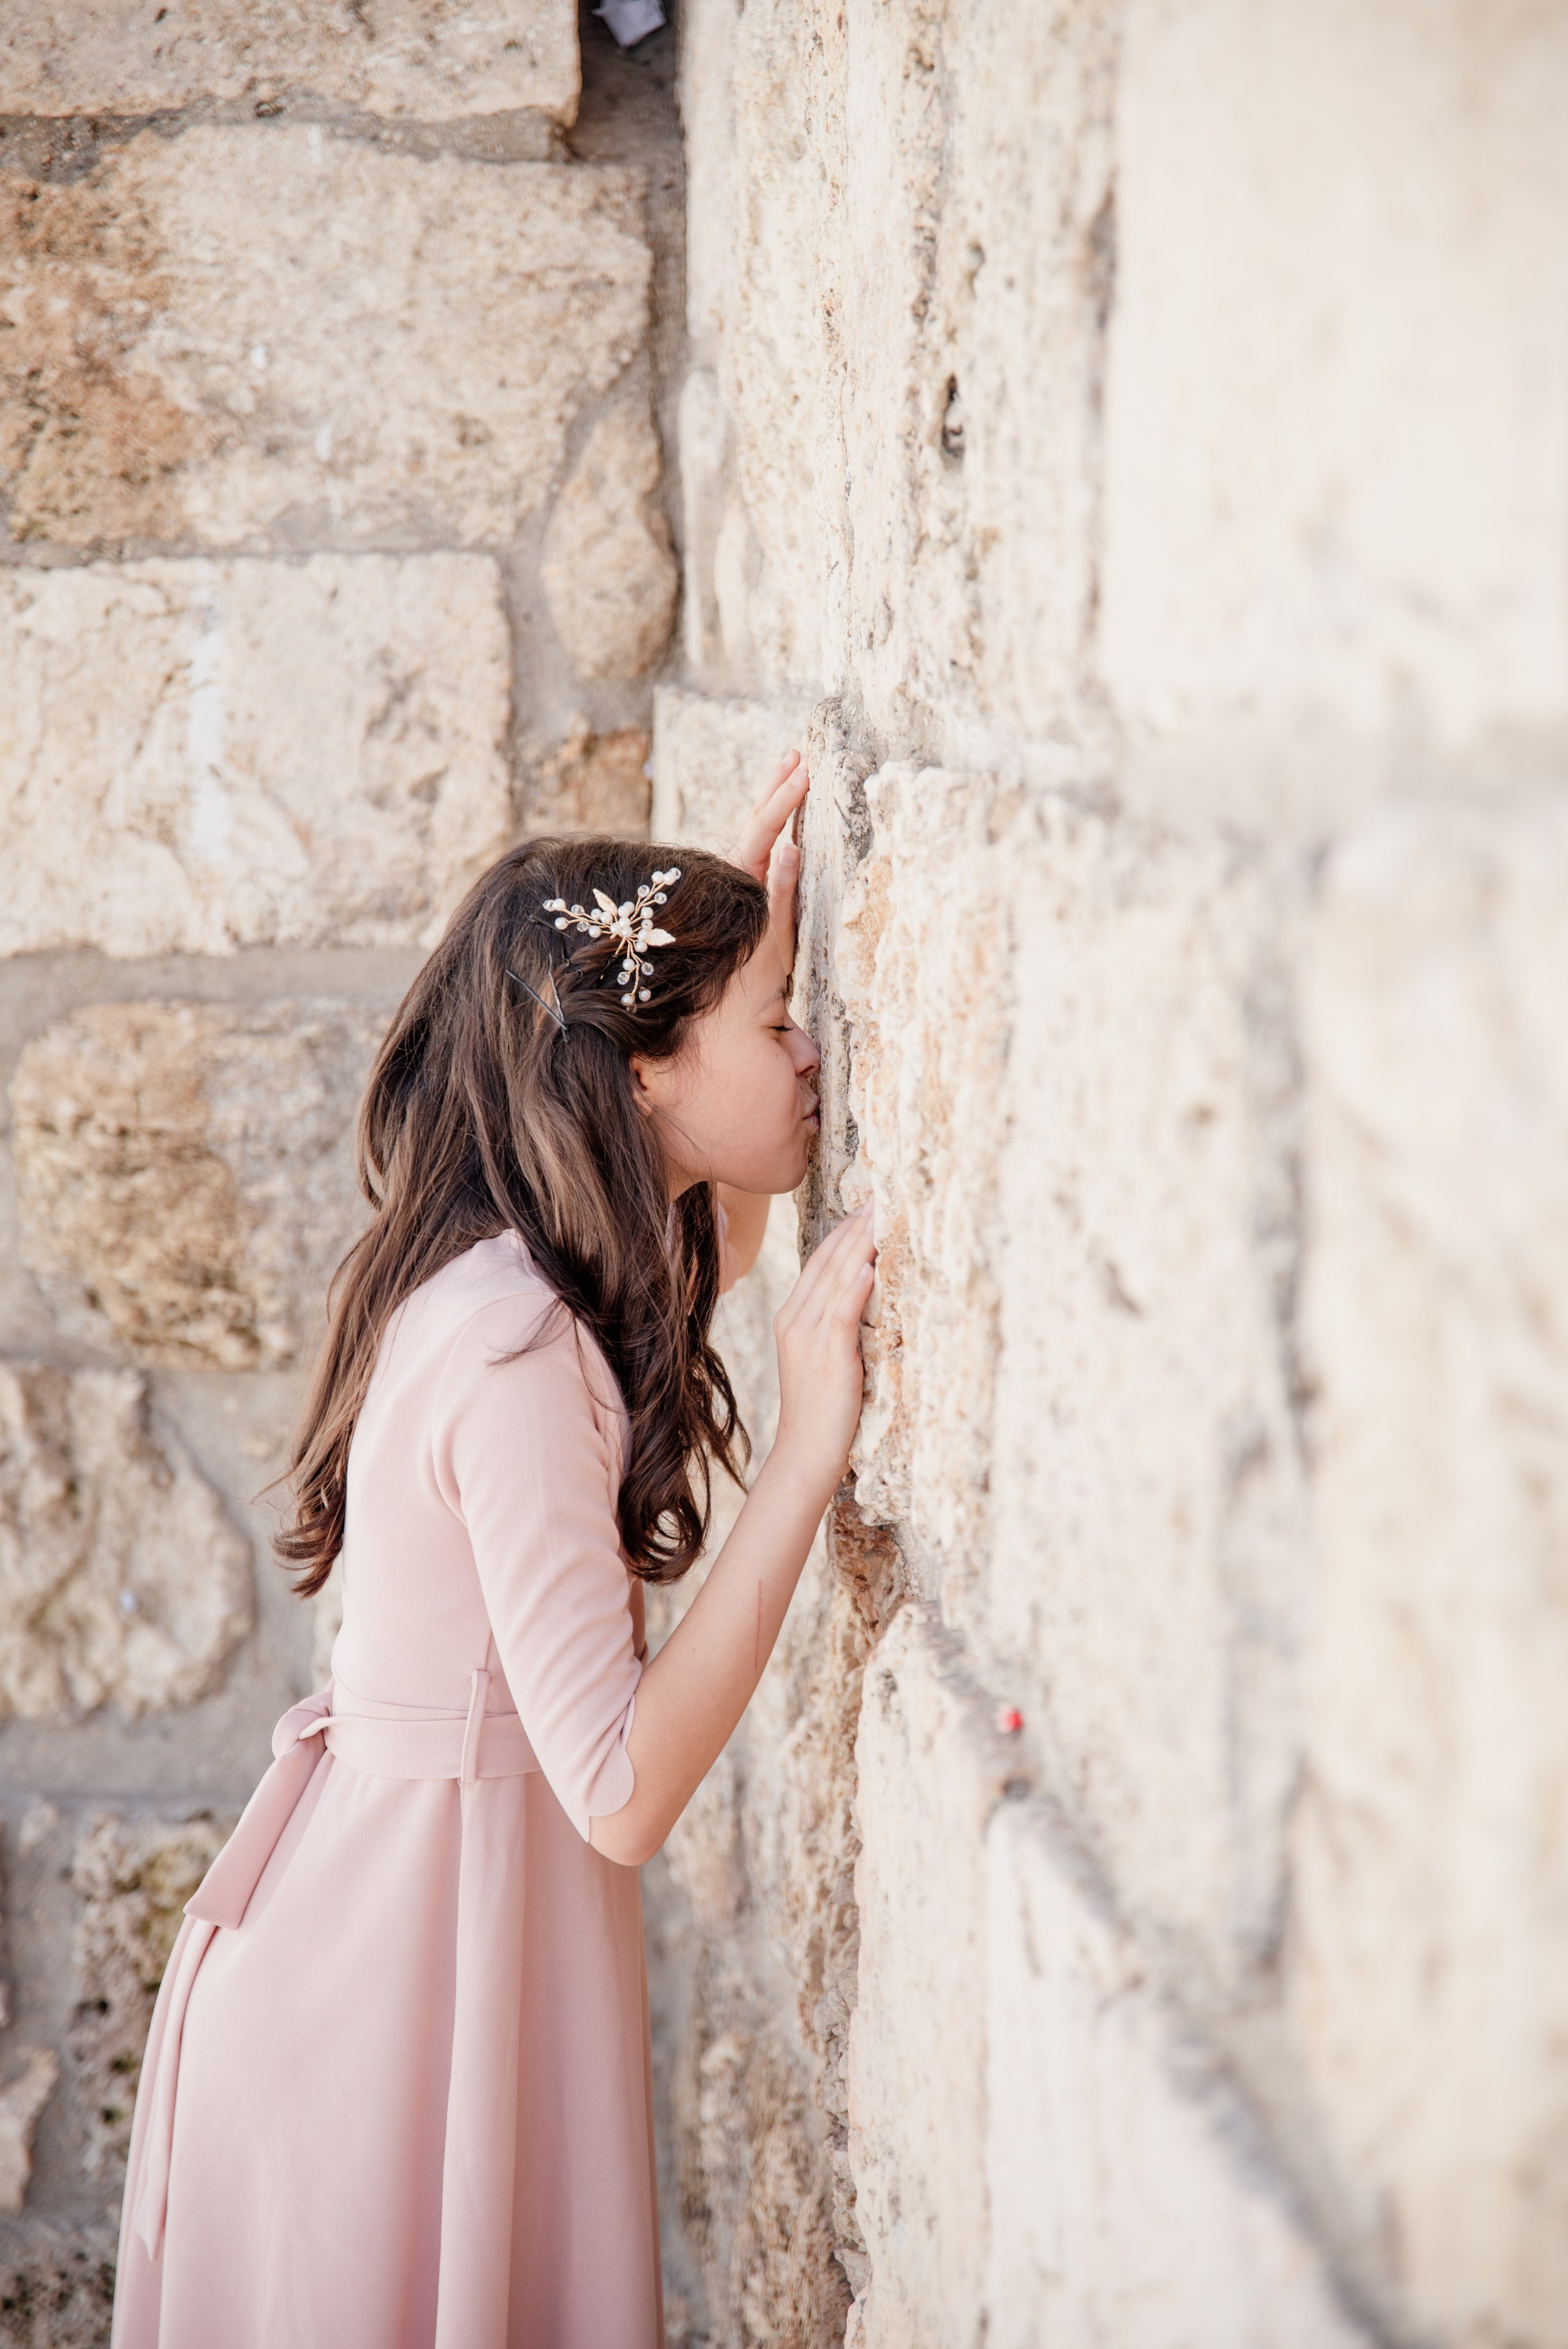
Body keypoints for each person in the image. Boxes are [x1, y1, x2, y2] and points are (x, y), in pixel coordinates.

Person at [109, 756, 876, 2349]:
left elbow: (697, 1252)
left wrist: (714, 953)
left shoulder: (517, 1288)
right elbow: (621, 1784)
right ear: (644, 1070)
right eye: (770, 1020)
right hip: (387, 2009)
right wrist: (805, 1455)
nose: (805, 1050)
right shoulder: (521, 1345)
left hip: (428, 1940)